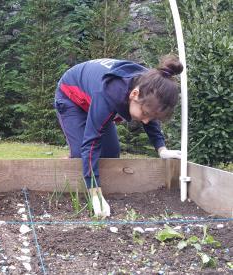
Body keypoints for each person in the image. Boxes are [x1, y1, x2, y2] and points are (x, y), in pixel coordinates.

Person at [54, 56, 183, 217]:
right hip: (71, 96)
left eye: (151, 117)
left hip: (95, 97)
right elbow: (91, 142)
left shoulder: (151, 85)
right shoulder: (109, 93)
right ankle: (78, 178)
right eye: (145, 114)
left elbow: (150, 115)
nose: (146, 121)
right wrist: (96, 195)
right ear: (134, 94)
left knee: (111, 156)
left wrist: (161, 148)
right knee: (82, 154)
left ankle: (89, 177)